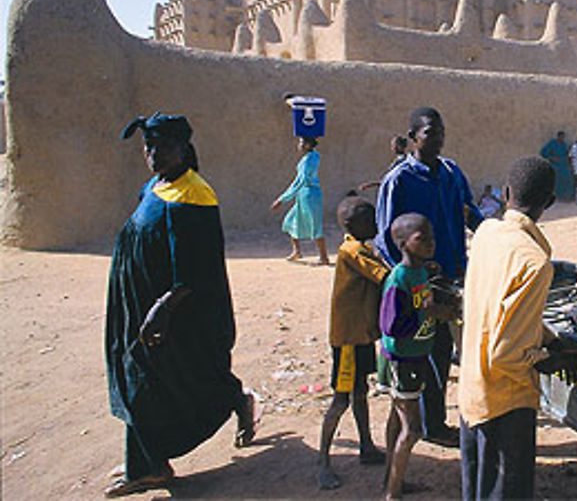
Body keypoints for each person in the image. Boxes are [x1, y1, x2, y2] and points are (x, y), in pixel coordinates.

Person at [105, 113, 257, 497]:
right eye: (148, 146)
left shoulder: (195, 195)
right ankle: (150, 460)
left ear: (183, 149)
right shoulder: (155, 186)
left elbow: (198, 267)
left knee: (161, 382)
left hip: (174, 315)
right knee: (149, 380)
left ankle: (150, 465)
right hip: (141, 305)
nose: (153, 154)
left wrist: (162, 309)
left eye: (163, 147)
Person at [459, 156, 577, 500]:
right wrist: (555, 360)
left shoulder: (486, 233)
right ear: (549, 203)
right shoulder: (534, 262)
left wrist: (549, 339)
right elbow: (506, 355)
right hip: (504, 403)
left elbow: (494, 311)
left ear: (505, 192)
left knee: (476, 489)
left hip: (472, 391)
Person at [375, 106, 483, 447]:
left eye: (441, 133)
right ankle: (423, 425)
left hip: (453, 277)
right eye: (429, 133)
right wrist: (413, 278)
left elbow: (470, 214)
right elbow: (385, 237)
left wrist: (496, 232)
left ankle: (435, 423)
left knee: (441, 351)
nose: (437, 139)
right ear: (413, 138)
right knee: (418, 351)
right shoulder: (399, 180)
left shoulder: (451, 172)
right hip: (420, 285)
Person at [380, 213, 458, 499]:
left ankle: (392, 479)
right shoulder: (399, 279)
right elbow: (391, 325)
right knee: (411, 429)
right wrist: (430, 313)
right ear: (402, 243)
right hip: (402, 359)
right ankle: (392, 492)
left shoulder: (422, 272)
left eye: (432, 238)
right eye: (421, 239)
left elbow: (423, 304)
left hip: (415, 356)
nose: (430, 244)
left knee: (397, 419)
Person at [318, 196, 389, 490]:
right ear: (353, 225)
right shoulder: (352, 250)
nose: (375, 224)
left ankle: (367, 446)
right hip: (348, 339)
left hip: (359, 335)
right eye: (370, 220)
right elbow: (384, 277)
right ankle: (322, 462)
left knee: (360, 391)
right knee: (342, 398)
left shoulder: (363, 247)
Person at [271, 136, 330, 264]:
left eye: (301, 142)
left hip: (309, 194)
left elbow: (299, 182)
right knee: (291, 220)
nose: (299, 145)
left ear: (307, 145)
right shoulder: (313, 156)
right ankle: (297, 251)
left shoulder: (308, 161)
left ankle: (324, 257)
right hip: (304, 195)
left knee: (315, 225)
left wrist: (282, 199)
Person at [540, 131, 574, 202]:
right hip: (555, 166)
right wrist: (551, 158)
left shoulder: (564, 145)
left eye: (563, 137)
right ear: (558, 137)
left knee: (568, 179)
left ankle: (567, 197)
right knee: (556, 181)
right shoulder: (552, 143)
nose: (562, 138)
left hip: (564, 165)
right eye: (561, 137)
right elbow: (543, 152)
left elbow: (567, 154)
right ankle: (557, 198)